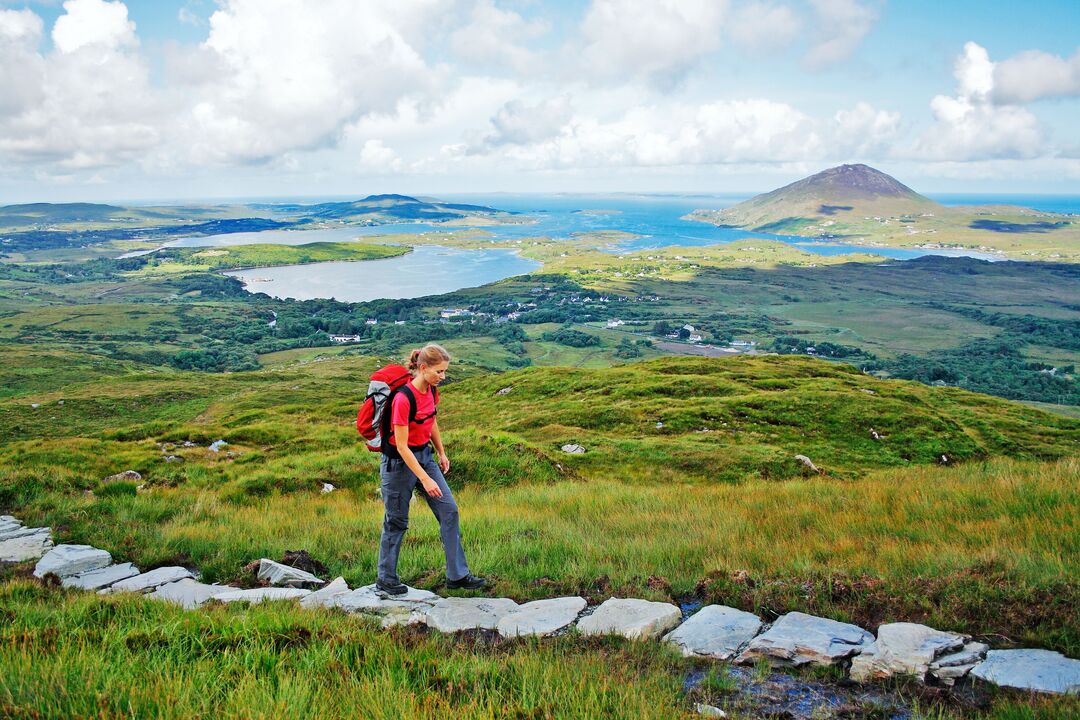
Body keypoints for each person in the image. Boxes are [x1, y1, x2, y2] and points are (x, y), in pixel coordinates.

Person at [376, 343, 487, 595]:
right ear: (423, 368)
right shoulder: (403, 398)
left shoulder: (432, 391)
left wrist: (441, 451)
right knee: (396, 522)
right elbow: (402, 447)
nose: (443, 377)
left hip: (424, 457)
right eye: (439, 372)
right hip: (398, 464)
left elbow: (431, 420)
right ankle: (386, 579)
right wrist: (425, 479)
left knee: (449, 511)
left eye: (445, 371)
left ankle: (457, 576)